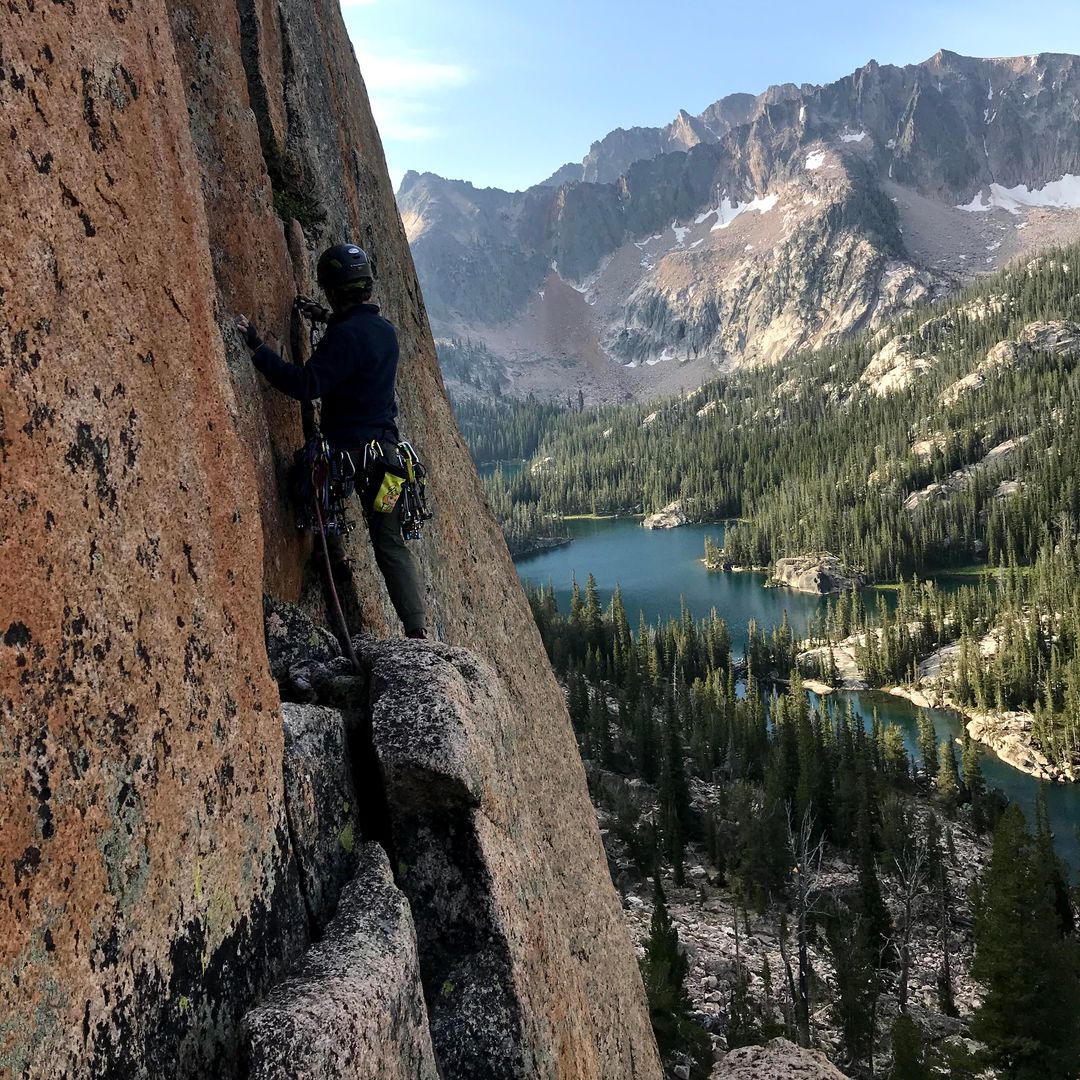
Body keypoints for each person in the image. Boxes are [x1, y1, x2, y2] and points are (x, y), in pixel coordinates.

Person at [235, 243, 427, 639]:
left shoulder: (344, 337)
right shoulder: (385, 333)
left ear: (334, 291)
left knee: (309, 489)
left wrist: (258, 349)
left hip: (345, 456)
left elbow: (308, 384)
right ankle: (417, 630)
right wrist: (325, 318)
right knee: (390, 544)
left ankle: (333, 558)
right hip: (388, 460)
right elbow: (358, 339)